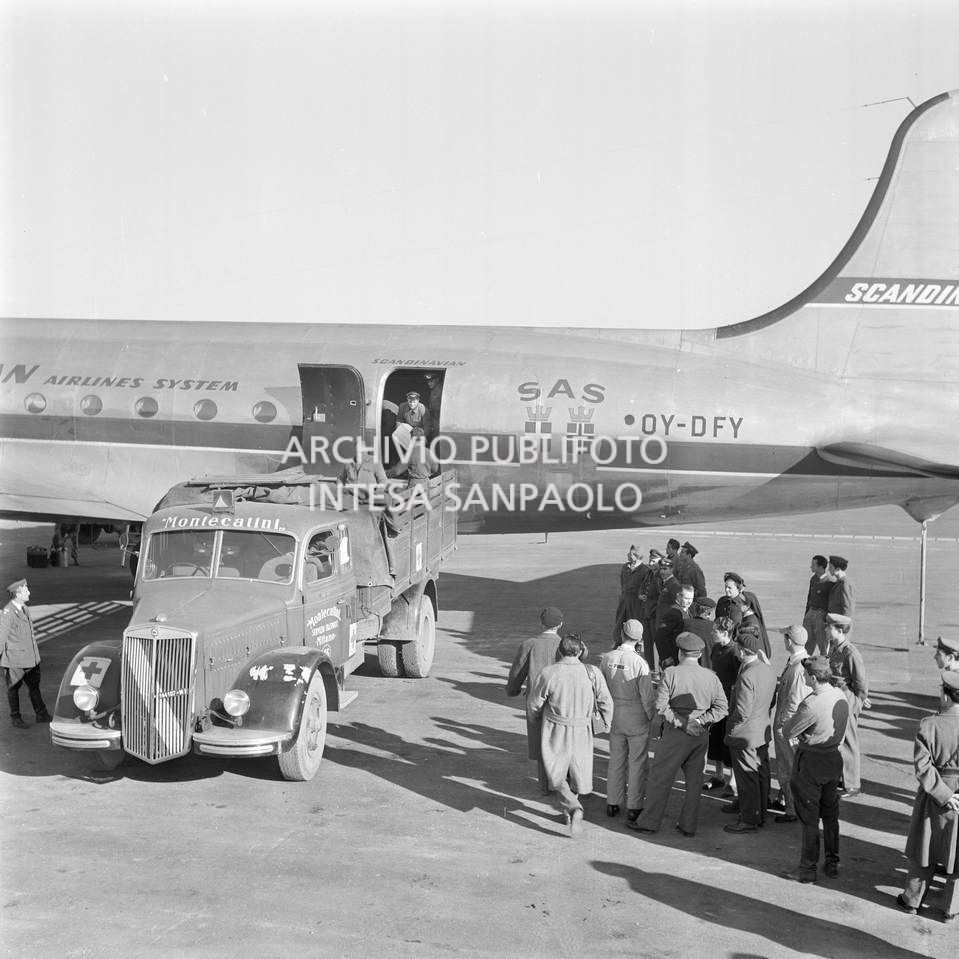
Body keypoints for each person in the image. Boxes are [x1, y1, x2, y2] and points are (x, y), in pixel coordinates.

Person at [630, 632, 728, 837]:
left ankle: (649, 822)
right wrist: (700, 721)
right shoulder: (711, 676)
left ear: (681, 653)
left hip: (675, 734)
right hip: (701, 734)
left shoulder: (672, 673)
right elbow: (722, 709)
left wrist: (683, 723)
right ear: (699, 654)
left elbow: (661, 706)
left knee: (660, 779)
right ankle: (688, 825)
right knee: (694, 783)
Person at [528, 633, 613, 836]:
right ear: (581, 651)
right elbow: (606, 702)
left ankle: (573, 807)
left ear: (560, 651)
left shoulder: (549, 673)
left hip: (556, 729)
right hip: (582, 730)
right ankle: (569, 810)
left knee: (556, 774)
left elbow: (534, 704)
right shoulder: (592, 672)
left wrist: (534, 719)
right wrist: (606, 724)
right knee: (576, 771)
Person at [780, 656, 850, 883]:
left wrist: (801, 732)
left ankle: (807, 869)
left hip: (811, 762)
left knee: (810, 819)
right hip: (833, 760)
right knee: (830, 815)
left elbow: (788, 730)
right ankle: (832, 861)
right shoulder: (840, 696)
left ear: (812, 677)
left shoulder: (811, 703)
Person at [896, 671, 959, 921]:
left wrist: (943, 794)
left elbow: (923, 767)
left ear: (945, 695)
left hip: (934, 794)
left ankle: (912, 899)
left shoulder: (929, 724)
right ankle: (950, 908)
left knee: (924, 848)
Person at [599, 620, 657, 823]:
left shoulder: (607, 658)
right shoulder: (640, 663)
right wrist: (651, 716)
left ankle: (612, 802)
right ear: (639, 639)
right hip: (636, 716)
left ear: (622, 634)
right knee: (637, 762)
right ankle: (634, 806)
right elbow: (647, 697)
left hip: (615, 715)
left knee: (616, 759)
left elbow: (601, 688)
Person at [723, 628, 777, 833]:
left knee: (747, 777)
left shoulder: (747, 675)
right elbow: (771, 700)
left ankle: (749, 818)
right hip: (762, 730)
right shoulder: (768, 670)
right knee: (761, 773)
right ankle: (760, 811)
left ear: (743, 651)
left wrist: (733, 728)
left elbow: (742, 711)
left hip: (745, 734)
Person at [506, 607, 565, 793]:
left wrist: (512, 690)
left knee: (541, 741)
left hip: (536, 701)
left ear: (541, 623)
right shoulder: (566, 645)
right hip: (562, 700)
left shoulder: (529, 644)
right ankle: (562, 783)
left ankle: (544, 785)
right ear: (561, 624)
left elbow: (518, 672)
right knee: (561, 740)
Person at [827, 612, 869, 797]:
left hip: (846, 700)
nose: (827, 630)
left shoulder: (850, 652)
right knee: (836, 741)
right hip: (835, 698)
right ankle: (840, 777)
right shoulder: (834, 648)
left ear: (840, 630)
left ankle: (852, 784)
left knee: (849, 742)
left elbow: (861, 683)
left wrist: (856, 704)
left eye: (830, 627)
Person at [772, 625, 811, 821]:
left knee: (787, 767)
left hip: (788, 727)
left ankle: (792, 809)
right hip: (792, 726)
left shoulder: (797, 669)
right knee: (789, 766)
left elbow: (794, 702)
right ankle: (786, 801)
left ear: (789, 641)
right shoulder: (799, 661)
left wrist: (782, 726)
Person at [1, 579, 51, 728]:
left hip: (30, 657)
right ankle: (15, 717)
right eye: (26, 590)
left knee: (34, 687)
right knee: (13, 688)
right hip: (15, 660)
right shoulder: (7, 613)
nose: (29, 592)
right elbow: (1, 637)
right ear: (17, 593)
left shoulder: (24, 608)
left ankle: (41, 714)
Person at [706, 616, 739, 795]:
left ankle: (733, 781)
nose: (712, 634)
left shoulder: (734, 653)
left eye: (715, 631)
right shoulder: (716, 648)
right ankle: (718, 776)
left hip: (729, 702)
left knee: (729, 742)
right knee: (716, 738)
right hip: (715, 701)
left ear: (725, 633)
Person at [716, 572, 770, 657]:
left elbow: (750, 637)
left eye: (729, 587)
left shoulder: (744, 605)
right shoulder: (722, 602)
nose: (726, 590)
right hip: (723, 646)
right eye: (725, 587)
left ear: (738, 588)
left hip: (739, 650)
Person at [654, 584, 694, 669]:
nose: (689, 602)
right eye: (686, 598)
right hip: (673, 659)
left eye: (691, 599)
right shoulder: (673, 613)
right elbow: (660, 636)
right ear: (678, 596)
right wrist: (666, 657)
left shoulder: (688, 610)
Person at [613, 546, 648, 643]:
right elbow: (622, 583)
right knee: (620, 622)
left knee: (634, 624)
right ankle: (619, 642)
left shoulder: (645, 570)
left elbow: (645, 587)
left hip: (636, 603)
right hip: (624, 601)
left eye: (631, 553)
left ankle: (636, 644)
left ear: (637, 556)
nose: (628, 555)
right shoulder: (625, 567)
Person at [803, 555, 832, 655]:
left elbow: (831, 603)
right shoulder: (813, 579)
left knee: (823, 645)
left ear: (821, 567)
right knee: (806, 644)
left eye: (813, 565)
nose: (811, 567)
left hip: (821, 616)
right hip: (810, 614)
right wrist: (806, 615)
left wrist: (826, 619)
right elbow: (809, 598)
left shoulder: (830, 582)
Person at [684, 596, 717, 663]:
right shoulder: (714, 627)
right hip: (710, 667)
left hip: (690, 665)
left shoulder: (686, 624)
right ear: (709, 613)